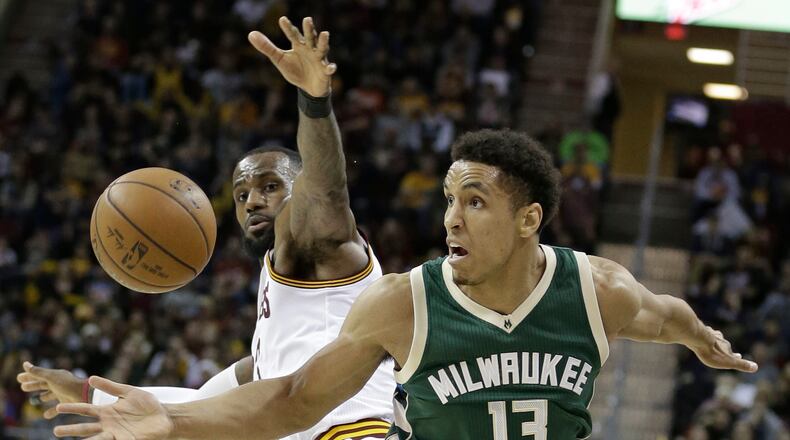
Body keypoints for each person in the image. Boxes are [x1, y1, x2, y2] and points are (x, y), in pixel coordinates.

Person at [51, 128, 758, 440]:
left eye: (474, 201)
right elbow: (291, 398)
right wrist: (172, 419)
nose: (450, 217)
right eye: (448, 200)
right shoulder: (402, 302)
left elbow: (667, 315)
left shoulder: (598, 290)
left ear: (528, 218)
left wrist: (704, 342)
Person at [19, 16, 394, 440]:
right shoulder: (280, 318)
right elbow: (201, 402)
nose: (252, 199)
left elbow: (326, 188)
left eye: (270, 186)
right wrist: (89, 392)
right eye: (240, 194)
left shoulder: (318, 244)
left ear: (298, 189)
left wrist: (314, 101)